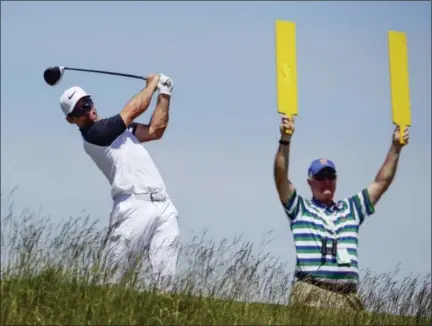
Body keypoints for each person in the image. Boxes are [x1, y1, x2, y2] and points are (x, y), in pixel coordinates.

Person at [273, 114, 409, 311]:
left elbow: (381, 182)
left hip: (348, 298)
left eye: (331, 176)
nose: (326, 181)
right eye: (321, 176)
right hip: (311, 293)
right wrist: (285, 139)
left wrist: (396, 148)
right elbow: (280, 178)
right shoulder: (300, 208)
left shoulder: (351, 209)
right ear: (310, 182)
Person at [58, 74, 180, 289]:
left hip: (163, 204)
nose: (87, 110)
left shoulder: (122, 130)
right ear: (71, 120)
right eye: (79, 110)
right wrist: (152, 84)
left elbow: (155, 131)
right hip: (132, 207)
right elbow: (134, 110)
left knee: (166, 280)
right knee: (114, 279)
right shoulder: (94, 135)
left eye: (87, 102)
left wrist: (165, 93)